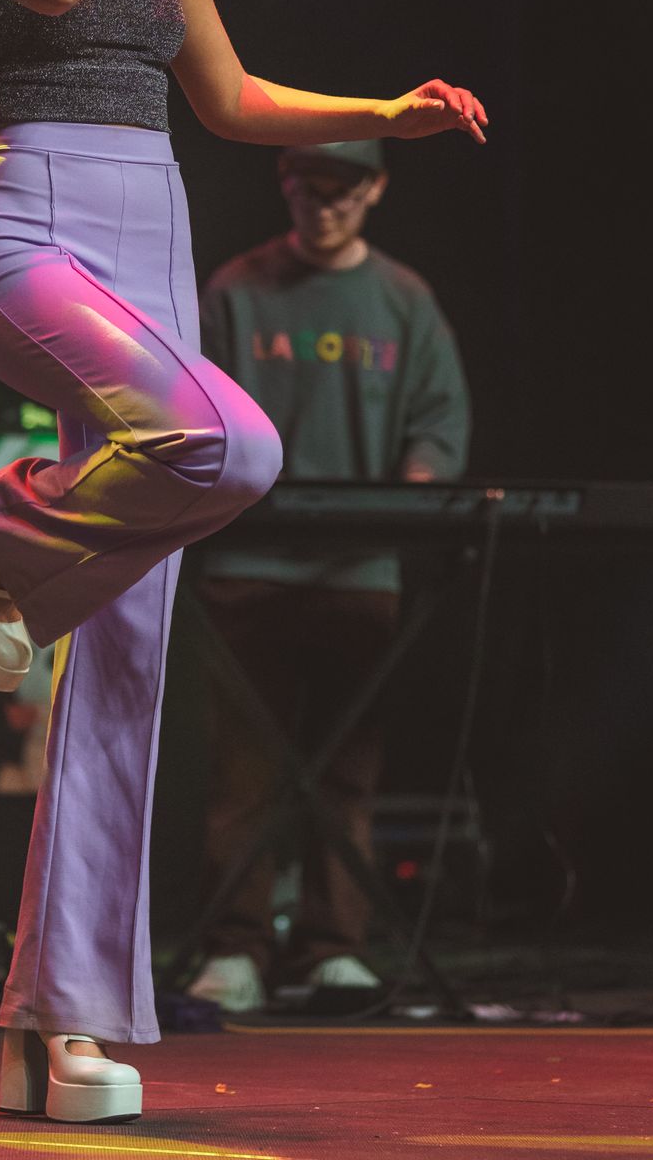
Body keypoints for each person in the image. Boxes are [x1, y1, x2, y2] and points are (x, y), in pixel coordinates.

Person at [0, 0, 487, 1124]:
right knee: (232, 447)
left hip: (150, 227)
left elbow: (225, 98)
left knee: (127, 661)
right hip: (27, 224)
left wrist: (382, 111)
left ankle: (63, 1021)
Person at [187, 138, 471, 1014]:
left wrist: (413, 493)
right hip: (248, 562)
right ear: (286, 186)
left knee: (349, 774)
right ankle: (236, 948)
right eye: (310, 188)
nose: (325, 206)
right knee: (243, 773)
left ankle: (331, 949)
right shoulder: (237, 289)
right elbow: (194, 405)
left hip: (360, 568)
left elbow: (439, 424)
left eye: (343, 191)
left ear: (376, 191)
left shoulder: (404, 299)